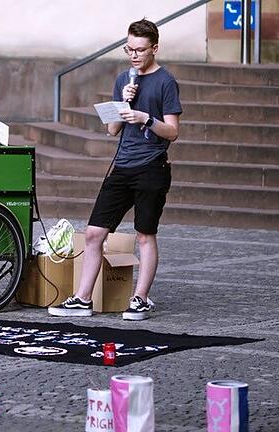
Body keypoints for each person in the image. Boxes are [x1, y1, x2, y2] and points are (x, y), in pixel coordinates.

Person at [48, 19, 182, 320]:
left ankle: (140, 298)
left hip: (152, 166)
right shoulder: (124, 79)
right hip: (122, 167)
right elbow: (111, 129)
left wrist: (144, 117)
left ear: (154, 48)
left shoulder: (166, 82)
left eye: (140, 50)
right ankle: (83, 299)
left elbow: (172, 131)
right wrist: (123, 104)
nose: (134, 55)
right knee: (94, 233)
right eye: (129, 49)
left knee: (145, 234)